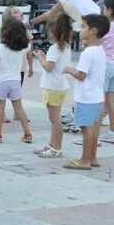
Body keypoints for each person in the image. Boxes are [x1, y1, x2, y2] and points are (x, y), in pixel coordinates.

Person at [62, 14, 109, 170]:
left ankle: (85, 160)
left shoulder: (87, 53)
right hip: (96, 96)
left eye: (83, 27)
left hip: (86, 97)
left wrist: (69, 70)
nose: (80, 30)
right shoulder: (99, 50)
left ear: (93, 31)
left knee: (85, 128)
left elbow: (81, 75)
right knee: (93, 127)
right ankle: (92, 158)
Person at [85, 0, 114, 146]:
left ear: (110, 10)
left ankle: (93, 136)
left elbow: (94, 41)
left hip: (105, 66)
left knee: (100, 102)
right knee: (111, 100)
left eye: (104, 8)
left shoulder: (107, 27)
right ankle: (113, 133)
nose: (103, 11)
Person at [32, 11, 73, 158]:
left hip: (53, 87)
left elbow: (48, 67)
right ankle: (51, 144)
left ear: (54, 30)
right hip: (60, 85)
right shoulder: (66, 46)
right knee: (54, 118)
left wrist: (40, 56)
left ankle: (57, 148)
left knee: (54, 120)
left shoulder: (54, 48)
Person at [0, 20, 33, 144]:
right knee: (19, 109)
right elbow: (29, 42)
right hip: (15, 81)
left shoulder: (1, 47)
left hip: (1, 81)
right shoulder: (24, 47)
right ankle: (27, 134)